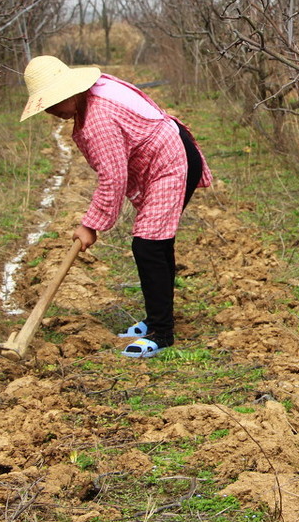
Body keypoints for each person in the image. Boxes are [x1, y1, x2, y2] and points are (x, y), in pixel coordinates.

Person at [20, 55, 211, 356]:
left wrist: (90, 225)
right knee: (155, 246)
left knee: (149, 246)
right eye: (47, 106)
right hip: (168, 155)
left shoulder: (98, 118)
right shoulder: (91, 95)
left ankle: (162, 333)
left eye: (55, 103)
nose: (52, 112)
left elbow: (113, 177)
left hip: (172, 162)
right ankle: (156, 320)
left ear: (70, 91)